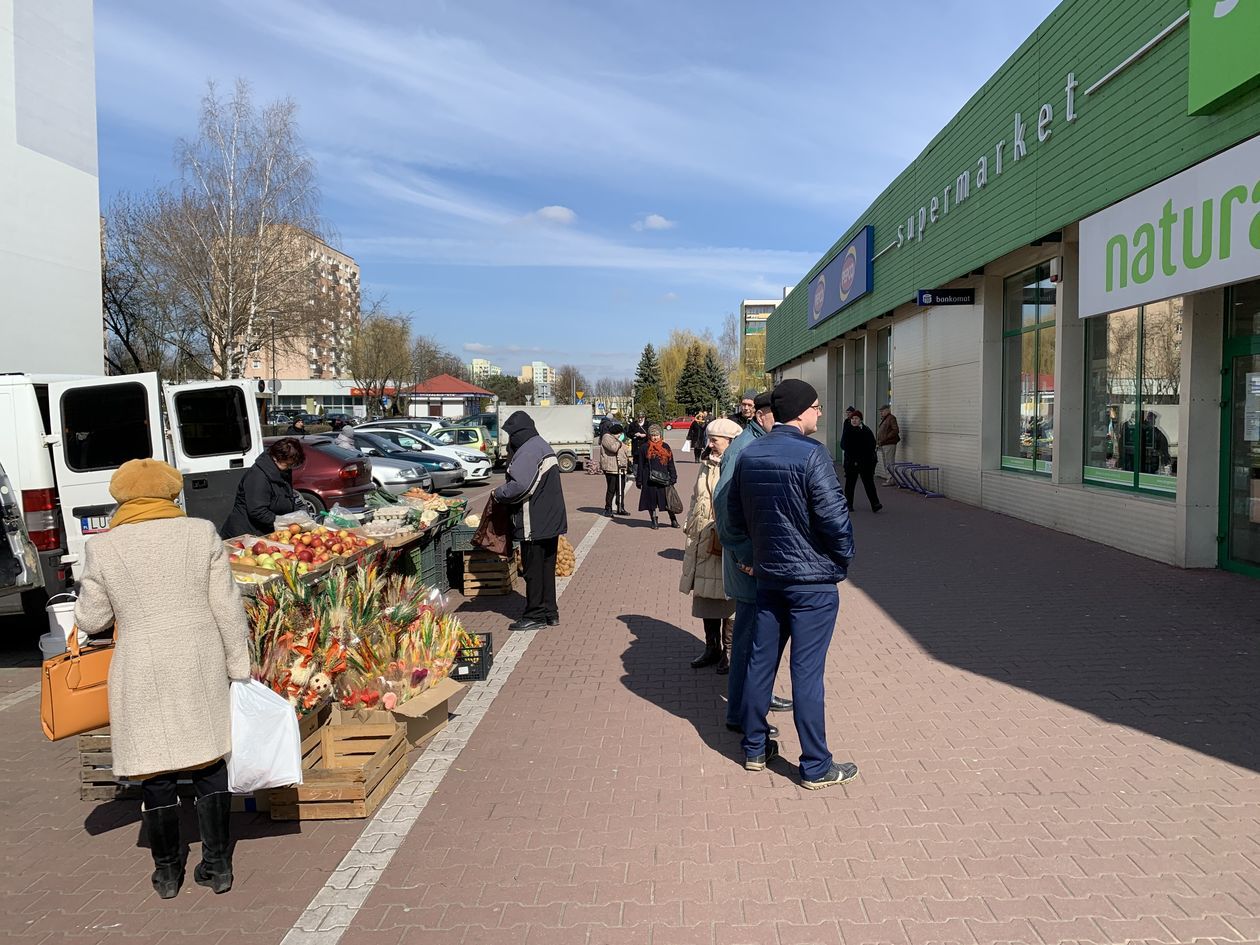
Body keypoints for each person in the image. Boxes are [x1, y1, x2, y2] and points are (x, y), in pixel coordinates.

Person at [74, 459, 251, 898]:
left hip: (140, 659)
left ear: (121, 496)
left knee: (156, 770)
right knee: (209, 759)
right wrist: (239, 667)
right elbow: (228, 608)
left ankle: (167, 873)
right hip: (198, 655)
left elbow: (93, 618)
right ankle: (218, 866)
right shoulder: (200, 532)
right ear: (172, 493)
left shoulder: (104, 546)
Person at [726, 379, 859, 790]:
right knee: (806, 672)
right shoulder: (813, 455)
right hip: (812, 585)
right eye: (817, 407)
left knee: (760, 662)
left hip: (770, 579)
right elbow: (836, 520)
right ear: (801, 411)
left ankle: (754, 747)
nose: (820, 413)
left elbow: (733, 520)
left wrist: (753, 558)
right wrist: (843, 557)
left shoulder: (750, 454)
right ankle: (816, 765)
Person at [713, 391, 791, 721]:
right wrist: (747, 555)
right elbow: (724, 507)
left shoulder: (756, 444)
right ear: (761, 416)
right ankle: (740, 713)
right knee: (747, 639)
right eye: (778, 415)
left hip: (754, 562)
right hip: (748, 564)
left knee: (757, 636)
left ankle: (755, 699)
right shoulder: (745, 448)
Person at [494, 411, 568, 631]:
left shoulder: (528, 451)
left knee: (533, 571)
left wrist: (498, 493)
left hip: (533, 521)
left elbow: (520, 486)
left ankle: (534, 614)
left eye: (510, 435)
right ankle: (549, 612)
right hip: (551, 520)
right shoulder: (542, 445)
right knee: (546, 568)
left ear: (518, 433)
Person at [679, 418, 740, 669]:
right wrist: (689, 523)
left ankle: (729, 653)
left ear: (730, 442)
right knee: (705, 596)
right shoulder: (706, 463)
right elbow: (696, 496)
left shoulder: (736, 464)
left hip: (723, 541)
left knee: (729, 600)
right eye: (710, 439)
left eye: (715, 440)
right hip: (702, 539)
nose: (710, 444)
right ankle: (711, 648)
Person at [220, 438, 304, 538]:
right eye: (289, 463)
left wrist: (299, 515)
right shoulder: (258, 476)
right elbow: (257, 511)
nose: (291, 466)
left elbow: (286, 497)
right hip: (245, 534)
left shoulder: (283, 472)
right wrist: (281, 521)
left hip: (266, 533)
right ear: (278, 458)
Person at [635, 424, 679, 530]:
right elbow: (640, 465)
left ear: (660, 435)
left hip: (663, 478)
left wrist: (673, 476)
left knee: (668, 500)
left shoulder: (665, 446)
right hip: (649, 479)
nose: (655, 437)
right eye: (653, 435)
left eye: (657, 435)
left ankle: (673, 519)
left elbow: (670, 463)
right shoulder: (644, 448)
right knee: (651, 501)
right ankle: (654, 520)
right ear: (649, 436)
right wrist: (639, 480)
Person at [842, 411, 882, 513]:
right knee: (850, 484)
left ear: (860, 420)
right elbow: (843, 445)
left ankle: (875, 504)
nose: (854, 420)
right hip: (851, 462)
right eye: (852, 419)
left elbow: (872, 444)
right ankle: (849, 504)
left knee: (869, 483)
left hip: (865, 462)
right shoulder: (848, 430)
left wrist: (869, 457)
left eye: (856, 418)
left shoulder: (866, 430)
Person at [596, 419, 630, 516]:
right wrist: (619, 441)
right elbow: (614, 448)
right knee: (611, 489)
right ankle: (608, 508)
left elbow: (625, 449)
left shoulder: (617, 439)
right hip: (611, 468)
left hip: (620, 467)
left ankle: (620, 507)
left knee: (621, 489)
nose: (620, 435)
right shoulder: (606, 438)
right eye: (619, 433)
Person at [875, 404, 901, 484]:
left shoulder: (891, 418)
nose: (881, 413)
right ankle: (889, 478)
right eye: (880, 411)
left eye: (882, 411)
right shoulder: (885, 419)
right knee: (886, 462)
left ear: (887, 410)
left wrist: (885, 437)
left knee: (889, 461)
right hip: (884, 443)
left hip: (889, 443)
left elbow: (895, 430)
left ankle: (891, 479)